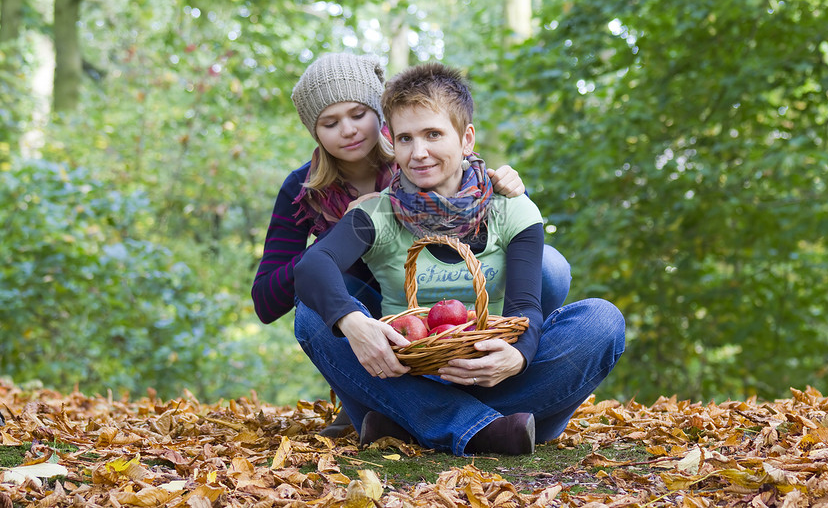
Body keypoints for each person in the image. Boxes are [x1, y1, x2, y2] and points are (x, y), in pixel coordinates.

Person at [293, 62, 625, 456]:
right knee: (312, 317)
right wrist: (353, 323)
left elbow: (525, 307)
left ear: (466, 139)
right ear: (392, 144)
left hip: (493, 376)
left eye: (433, 134)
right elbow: (313, 266)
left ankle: (409, 426)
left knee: (602, 320)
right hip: (404, 377)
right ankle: (484, 429)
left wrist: (517, 357)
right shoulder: (378, 212)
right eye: (405, 139)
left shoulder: (510, 209)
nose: (419, 153)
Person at [251, 53, 568, 435]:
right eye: (329, 123)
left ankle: (413, 411)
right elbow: (269, 300)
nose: (348, 130)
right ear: (314, 132)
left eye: (357, 114)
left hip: (464, 312)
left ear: (380, 118)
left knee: (550, 267)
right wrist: (335, 239)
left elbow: (508, 229)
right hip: (374, 322)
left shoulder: (420, 160)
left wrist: (512, 187)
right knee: (315, 306)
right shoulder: (305, 190)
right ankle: (417, 406)